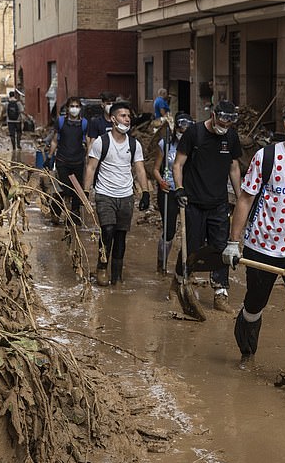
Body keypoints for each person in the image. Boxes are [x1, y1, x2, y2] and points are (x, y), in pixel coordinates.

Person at [223, 99, 285, 380]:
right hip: (260, 245)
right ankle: (246, 351)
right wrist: (234, 242)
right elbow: (245, 199)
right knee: (255, 304)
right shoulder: (266, 157)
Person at [171, 99, 242, 312]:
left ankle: (221, 293)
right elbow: (178, 164)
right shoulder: (194, 133)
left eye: (230, 123)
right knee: (192, 246)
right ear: (213, 115)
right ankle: (179, 283)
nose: (225, 126)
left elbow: (234, 167)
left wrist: (240, 198)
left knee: (221, 248)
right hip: (193, 201)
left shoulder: (230, 137)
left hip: (219, 203)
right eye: (222, 121)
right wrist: (179, 188)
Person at [82, 101, 151, 286]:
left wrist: (145, 192)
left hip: (126, 196)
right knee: (108, 231)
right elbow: (91, 168)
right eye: (123, 116)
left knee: (121, 235)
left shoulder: (134, 144)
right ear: (113, 119)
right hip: (105, 194)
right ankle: (102, 267)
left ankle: (117, 275)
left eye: (128, 116)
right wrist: (86, 192)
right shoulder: (101, 142)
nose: (127, 119)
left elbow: (140, 170)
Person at [153, 112, 193, 274]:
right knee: (169, 231)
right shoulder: (166, 144)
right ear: (175, 128)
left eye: (186, 131)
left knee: (190, 231)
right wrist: (160, 181)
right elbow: (156, 169)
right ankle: (161, 264)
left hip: (187, 192)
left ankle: (185, 268)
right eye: (180, 129)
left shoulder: (194, 145)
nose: (182, 133)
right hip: (168, 191)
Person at [49, 96, 89, 226]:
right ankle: (55, 211)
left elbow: (87, 143)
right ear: (67, 108)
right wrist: (50, 156)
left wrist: (88, 159)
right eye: (72, 106)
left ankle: (74, 215)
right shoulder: (60, 122)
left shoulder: (84, 124)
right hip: (62, 161)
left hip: (78, 162)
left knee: (78, 190)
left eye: (77, 106)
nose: (74, 109)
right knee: (64, 188)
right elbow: (55, 140)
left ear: (80, 109)